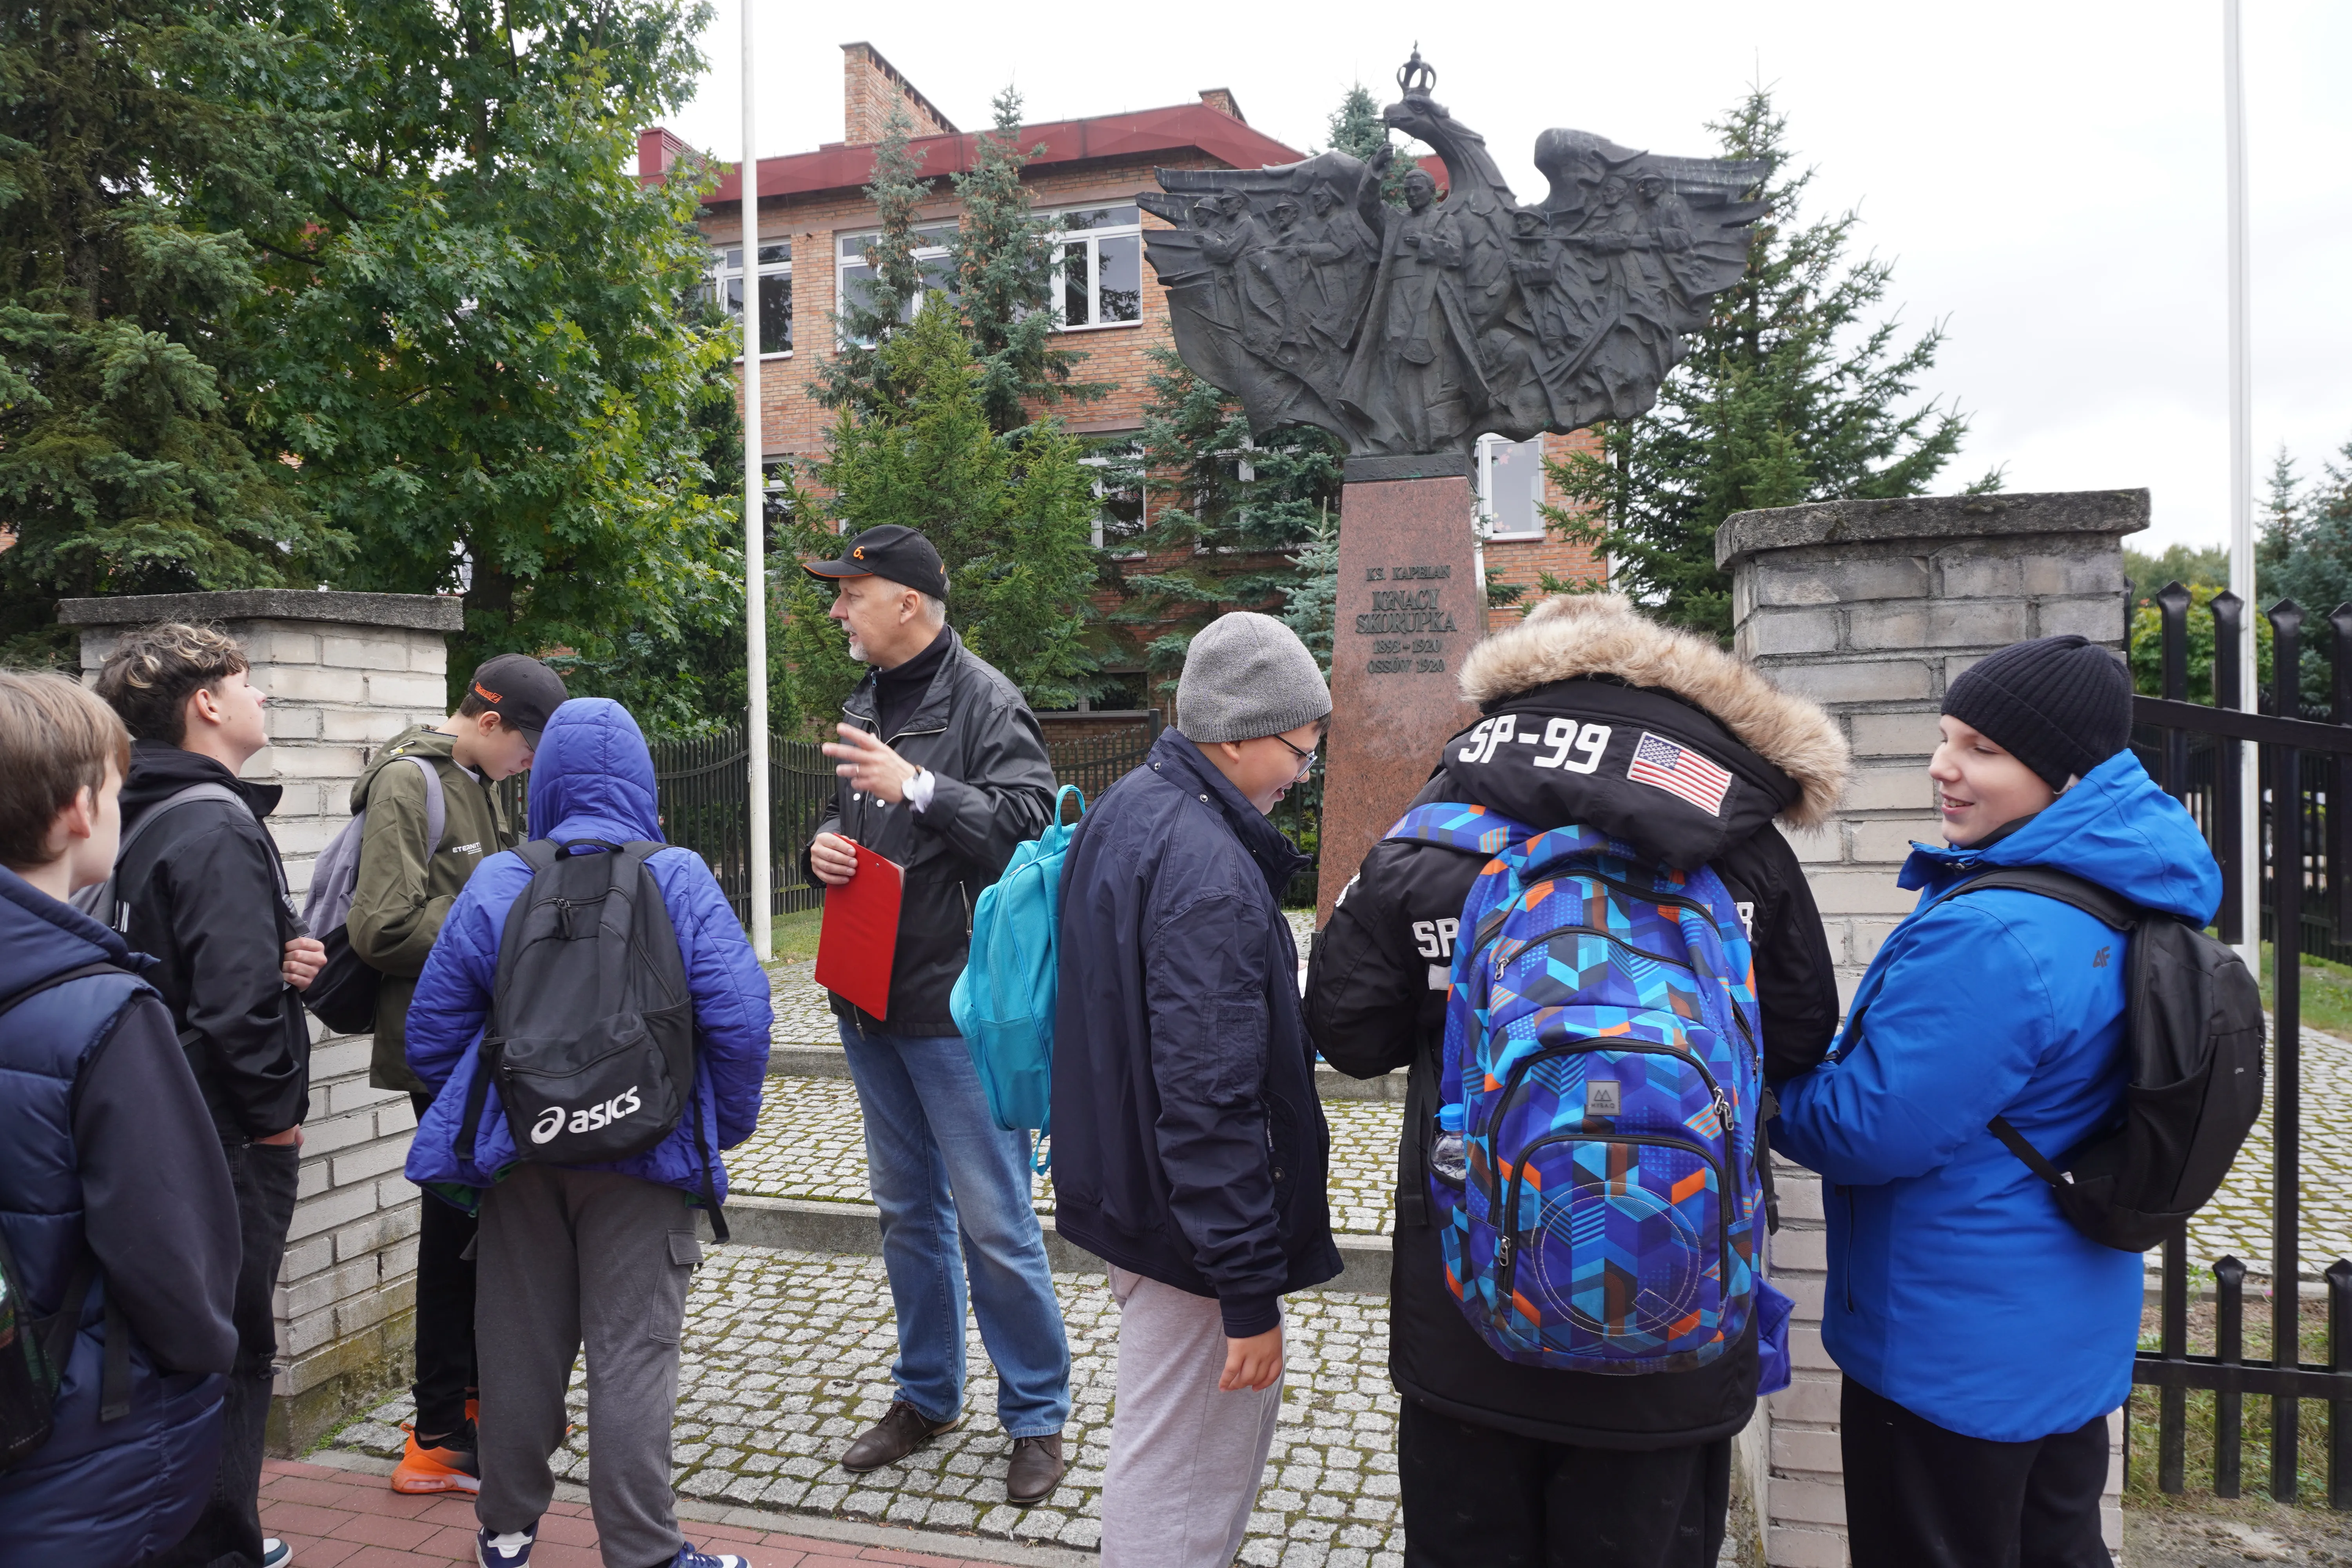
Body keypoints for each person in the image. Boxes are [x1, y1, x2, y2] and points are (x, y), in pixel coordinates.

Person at [1306, 593, 1847, 1568]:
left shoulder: (1437, 825)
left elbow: (1346, 1032)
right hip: (1680, 1309)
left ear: (1521, 674)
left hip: (1473, 1305)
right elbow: (1804, 1038)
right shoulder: (1742, 841)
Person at [1771, 635, 2218, 1568]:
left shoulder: (2001, 933)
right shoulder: (2128, 888)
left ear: (2066, 772)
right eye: (1945, 736)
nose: (1944, 766)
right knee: (2054, 1539)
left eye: (1982, 747)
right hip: (2059, 1319)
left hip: (1951, 1343)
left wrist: (1758, 1092)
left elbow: (1867, 1127)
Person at [403, 697, 773, 1568]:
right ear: (641, 778)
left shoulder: (501, 877)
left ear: (549, 780)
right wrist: (716, 1123)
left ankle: (504, 1529)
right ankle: (644, 1550)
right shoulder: (676, 873)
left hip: (523, 1154)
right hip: (645, 1157)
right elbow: (744, 1018)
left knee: (517, 1344)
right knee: (633, 1353)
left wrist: (502, 1104)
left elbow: (430, 1032)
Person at [1054, 611, 1342, 1568]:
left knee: (1170, 1458)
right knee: (1181, 1482)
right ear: (1236, 734)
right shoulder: (1209, 871)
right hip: (1192, 1237)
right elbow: (1210, 1094)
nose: (1305, 771)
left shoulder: (1129, 808)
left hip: (1140, 1196)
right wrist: (1249, 1292)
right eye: (1301, 747)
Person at [799, 524, 1071, 1505]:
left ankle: (1036, 1412)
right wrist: (824, 842)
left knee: (995, 1220)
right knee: (908, 1211)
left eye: (850, 593)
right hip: (867, 999)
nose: (837, 609)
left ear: (907, 601)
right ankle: (927, 1393)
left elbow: (1030, 828)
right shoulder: (867, 699)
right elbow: (851, 817)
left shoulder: (986, 700)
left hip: (956, 1011)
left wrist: (917, 784)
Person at [96, 623, 328, 1568]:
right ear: (206, 704)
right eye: (248, 683)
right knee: (236, 1349)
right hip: (225, 1132)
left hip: (152, 1113)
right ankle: (219, 1543)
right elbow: (234, 1007)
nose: (262, 699)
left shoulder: (127, 806)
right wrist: (277, 1119)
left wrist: (284, 953)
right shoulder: (217, 819)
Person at [0, 671, 241, 1566]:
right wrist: (211, 1347)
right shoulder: (104, 1009)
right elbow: (174, 1253)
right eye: (115, 783)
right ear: (74, 809)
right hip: (78, 1432)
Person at [347, 653, 567, 1494]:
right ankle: (436, 1433)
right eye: (527, 747)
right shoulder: (410, 782)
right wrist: (492, 907)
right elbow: (380, 927)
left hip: (479, 1044)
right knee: (452, 1240)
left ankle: (476, 1406)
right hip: (434, 1052)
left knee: (480, 1240)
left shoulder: (475, 776)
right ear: (487, 721)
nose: (531, 765)